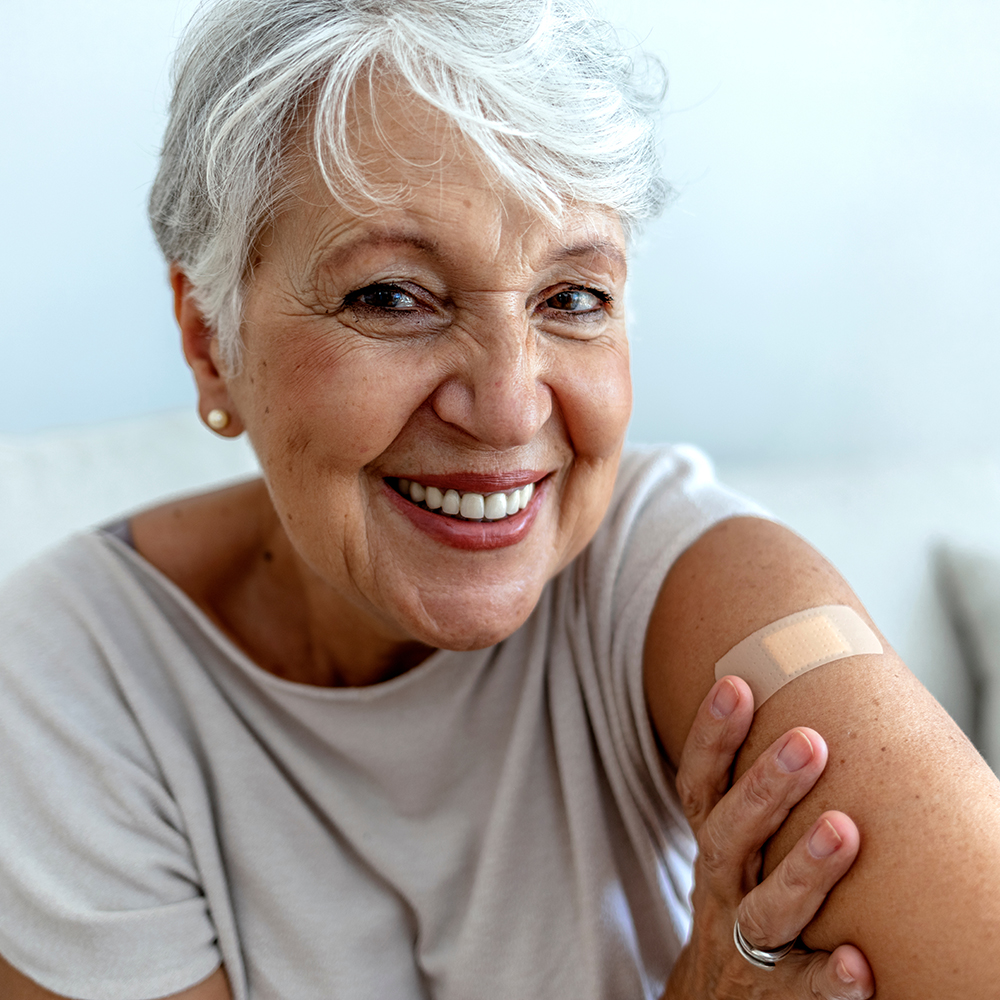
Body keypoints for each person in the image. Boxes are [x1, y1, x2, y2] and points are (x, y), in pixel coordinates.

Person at [1, 1, 999, 997]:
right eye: (391, 295)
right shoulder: (64, 682)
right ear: (209, 342)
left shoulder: (688, 574)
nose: (510, 405)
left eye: (571, 298)